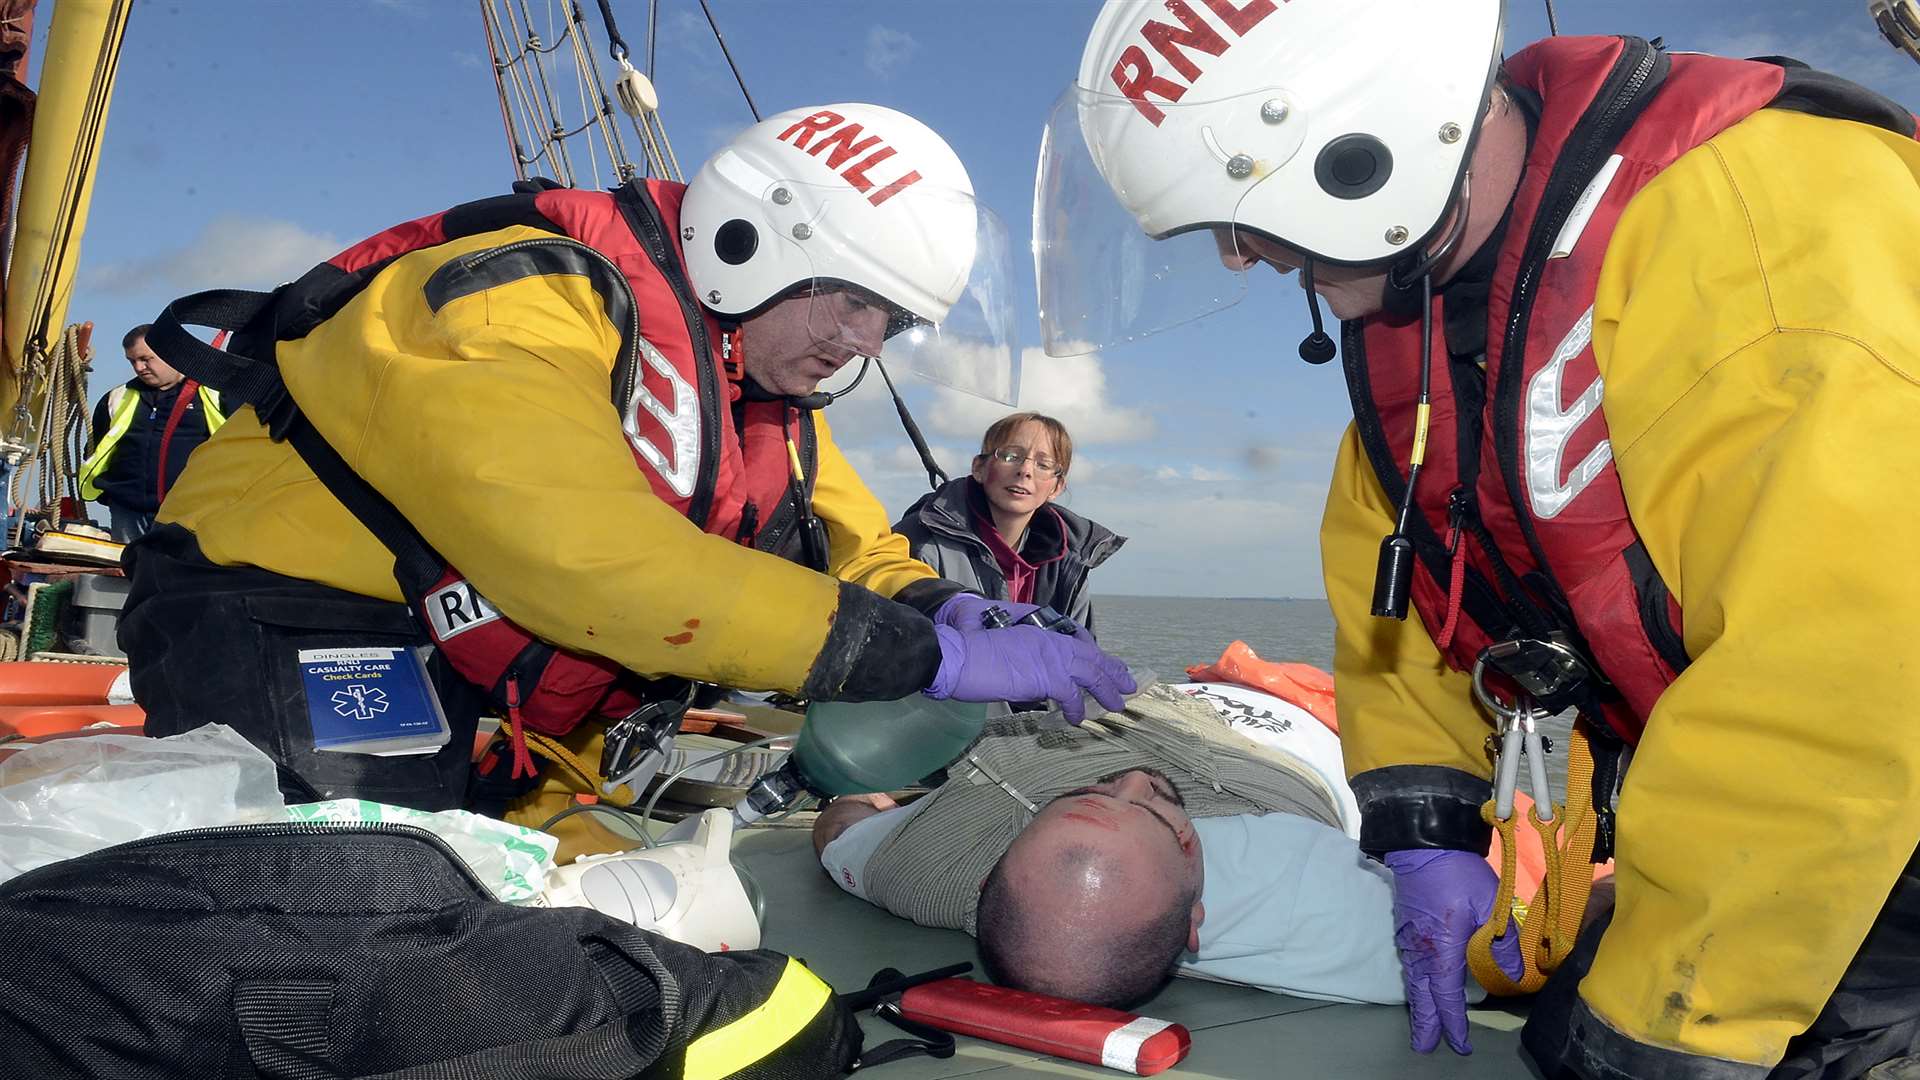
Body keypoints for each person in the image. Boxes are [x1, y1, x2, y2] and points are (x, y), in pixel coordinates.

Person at [1037, 5, 1920, 1079]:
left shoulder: (1771, 232)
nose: (1240, 258)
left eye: (1240, 213)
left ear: (1361, 153)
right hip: (1745, 795)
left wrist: (1673, 1030)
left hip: (1869, 796)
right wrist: (1424, 833)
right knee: (1563, 1032)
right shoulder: (1428, 314)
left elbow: (1840, 673)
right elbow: (1396, 590)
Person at [121, 102, 1132, 812]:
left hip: (477, 672)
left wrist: (937, 605)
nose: (866, 343)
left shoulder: (750, 385)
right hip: (286, 616)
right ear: (758, 240)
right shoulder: (513, 302)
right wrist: (929, 659)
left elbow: (843, 540)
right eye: (856, 302)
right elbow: (590, 561)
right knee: (348, 905)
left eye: (891, 322)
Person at [813, 686, 1524, 1008]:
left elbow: (835, 828)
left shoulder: (916, 869)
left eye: (1084, 795)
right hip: (1291, 715)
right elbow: (1522, 945)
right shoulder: (1327, 901)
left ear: (987, 879)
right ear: (1195, 925)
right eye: (1164, 820)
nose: (1133, 780)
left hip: (1156, 696)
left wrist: (880, 804)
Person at [894, 412, 1123, 638]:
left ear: (1056, 487)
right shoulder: (920, 542)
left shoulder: (1072, 560)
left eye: (1043, 464)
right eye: (1011, 456)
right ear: (979, 468)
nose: (1025, 471)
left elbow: (1080, 654)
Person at [78, 324, 226, 542]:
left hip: (193, 512)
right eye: (132, 361)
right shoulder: (117, 397)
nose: (139, 367)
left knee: (181, 574)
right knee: (129, 574)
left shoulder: (216, 395)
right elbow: (96, 449)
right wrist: (110, 495)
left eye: (146, 359)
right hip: (127, 510)